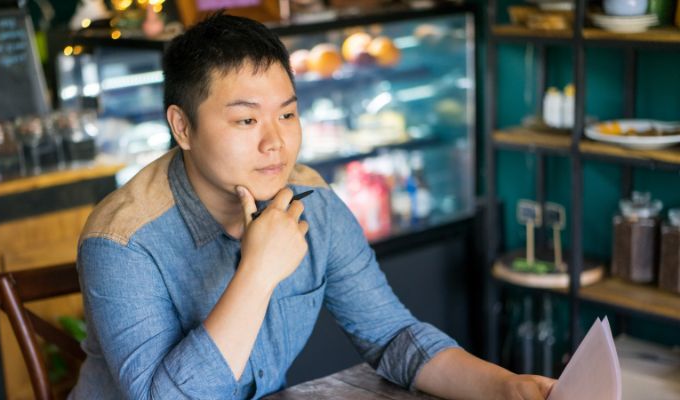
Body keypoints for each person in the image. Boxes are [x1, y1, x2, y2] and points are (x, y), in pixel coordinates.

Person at [69, 12, 555, 399]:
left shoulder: (312, 203)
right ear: (182, 127)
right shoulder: (122, 241)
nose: (275, 143)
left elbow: (393, 338)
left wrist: (508, 388)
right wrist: (258, 273)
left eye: (287, 114)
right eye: (246, 121)